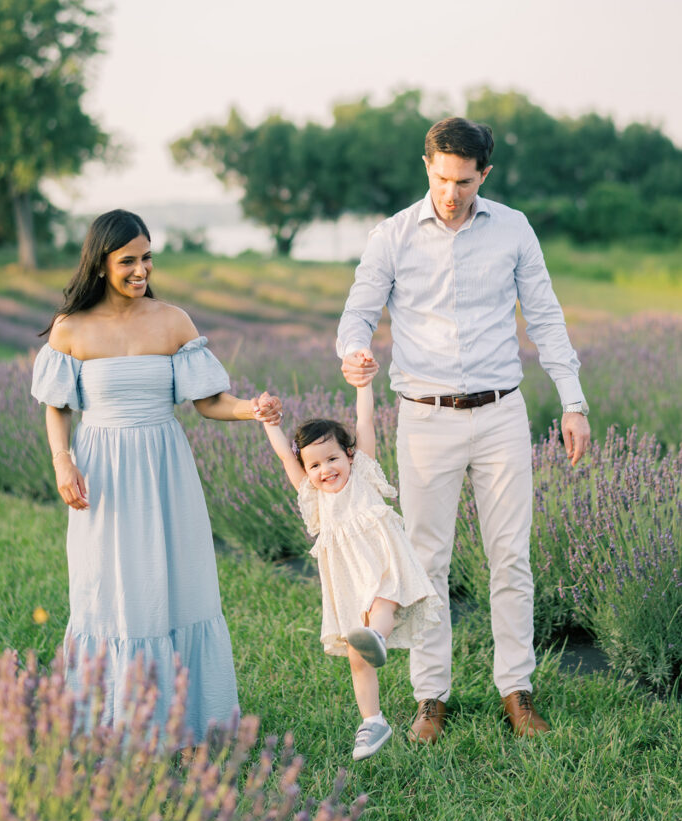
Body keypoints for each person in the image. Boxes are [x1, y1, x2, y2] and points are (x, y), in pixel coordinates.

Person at [337, 117, 591, 743]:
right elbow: (358, 312)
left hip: (501, 412)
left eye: (466, 181)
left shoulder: (513, 228)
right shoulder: (392, 236)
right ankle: (431, 698)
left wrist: (573, 401)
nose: (452, 193)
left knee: (511, 557)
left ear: (486, 175)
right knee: (426, 563)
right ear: (427, 166)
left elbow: (547, 317)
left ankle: (517, 691)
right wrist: (354, 351)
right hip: (425, 418)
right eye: (443, 178)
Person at [31, 209, 282, 745]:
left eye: (147, 257)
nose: (141, 269)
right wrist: (62, 460)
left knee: (179, 588)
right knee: (109, 589)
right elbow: (57, 405)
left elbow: (210, 401)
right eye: (128, 260)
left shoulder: (172, 320)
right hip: (101, 472)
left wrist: (252, 409)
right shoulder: (70, 329)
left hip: (164, 466)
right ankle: (117, 726)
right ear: (101, 264)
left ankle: (191, 725)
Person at [261, 368, 441, 761]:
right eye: (314, 465)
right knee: (357, 659)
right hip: (346, 580)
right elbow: (282, 456)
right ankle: (373, 721)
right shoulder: (314, 495)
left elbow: (365, 422)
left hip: (383, 564)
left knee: (382, 604)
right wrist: (269, 424)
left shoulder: (362, 473)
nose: (325, 470)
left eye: (332, 458)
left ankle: (376, 636)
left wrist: (363, 385)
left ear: (350, 455)